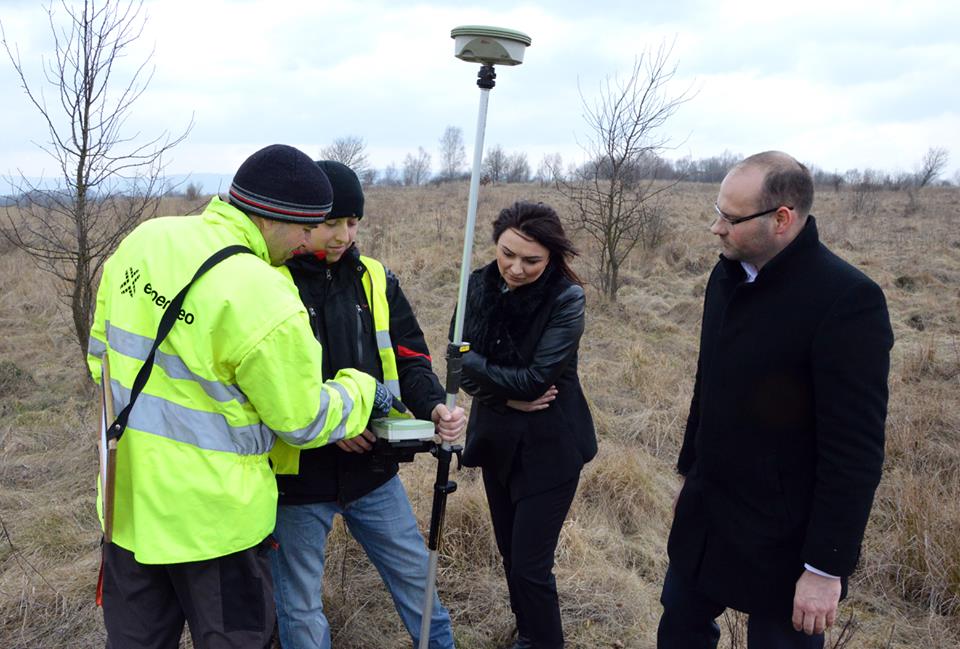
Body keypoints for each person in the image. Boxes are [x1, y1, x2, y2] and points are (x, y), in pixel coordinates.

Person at [86, 144, 397, 649]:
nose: (307, 243)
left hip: (128, 509)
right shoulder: (266, 295)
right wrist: (362, 390)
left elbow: (99, 355)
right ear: (275, 218)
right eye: (305, 229)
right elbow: (303, 420)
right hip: (216, 527)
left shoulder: (147, 240)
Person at [657, 151, 894, 648]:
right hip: (709, 510)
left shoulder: (846, 300)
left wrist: (826, 566)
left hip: (786, 536)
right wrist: (689, 475)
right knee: (679, 628)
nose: (715, 227)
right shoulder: (726, 276)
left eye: (730, 217)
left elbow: (855, 450)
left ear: (782, 219)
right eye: (717, 210)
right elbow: (709, 386)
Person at [268, 160, 466, 649]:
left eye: (353, 222)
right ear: (305, 220)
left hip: (373, 473)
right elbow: (266, 382)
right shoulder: (268, 281)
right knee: (298, 606)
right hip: (297, 479)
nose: (343, 234)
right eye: (332, 222)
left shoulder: (376, 279)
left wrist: (435, 406)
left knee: (418, 582)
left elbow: (411, 356)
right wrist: (336, 425)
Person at [454, 201, 597, 649]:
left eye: (531, 260)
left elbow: (538, 379)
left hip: (550, 449)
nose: (515, 268)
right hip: (497, 442)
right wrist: (508, 395)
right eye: (507, 254)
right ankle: (529, 634)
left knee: (530, 566)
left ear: (553, 257)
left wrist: (475, 365)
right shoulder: (477, 286)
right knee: (510, 554)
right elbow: (454, 366)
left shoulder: (566, 300)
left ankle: (543, 641)